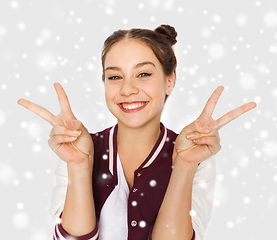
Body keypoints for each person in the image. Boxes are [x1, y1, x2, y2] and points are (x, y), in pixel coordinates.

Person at [17, 24, 257, 240]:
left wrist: (184, 164)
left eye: (143, 74)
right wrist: (79, 166)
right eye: (115, 76)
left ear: (170, 81)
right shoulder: (78, 147)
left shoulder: (195, 154)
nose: (127, 89)